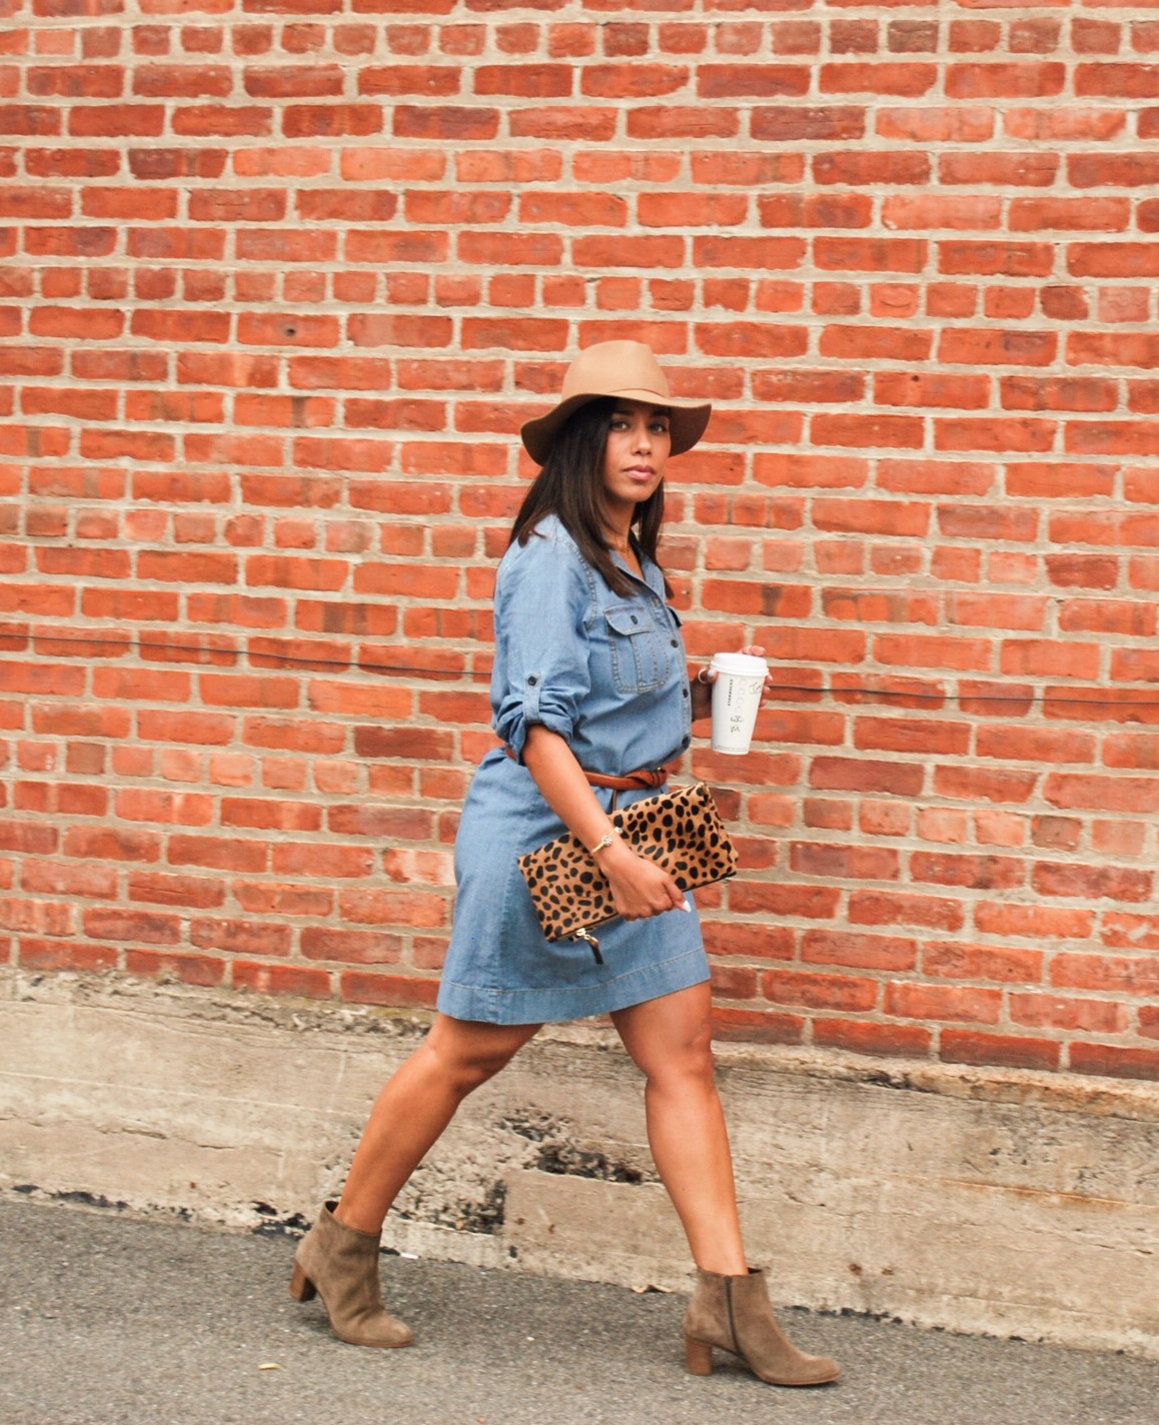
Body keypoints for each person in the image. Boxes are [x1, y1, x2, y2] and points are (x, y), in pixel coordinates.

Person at [289, 341, 838, 1387]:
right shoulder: (549, 555)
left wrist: (696, 688)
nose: (645, 444)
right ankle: (342, 1243)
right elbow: (537, 727)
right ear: (584, 440)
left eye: (658, 427)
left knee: (684, 1052)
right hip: (551, 832)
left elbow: (606, 707)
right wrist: (612, 853)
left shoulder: (637, 556)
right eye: (624, 425)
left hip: (642, 822)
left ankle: (727, 1302)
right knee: (467, 1051)